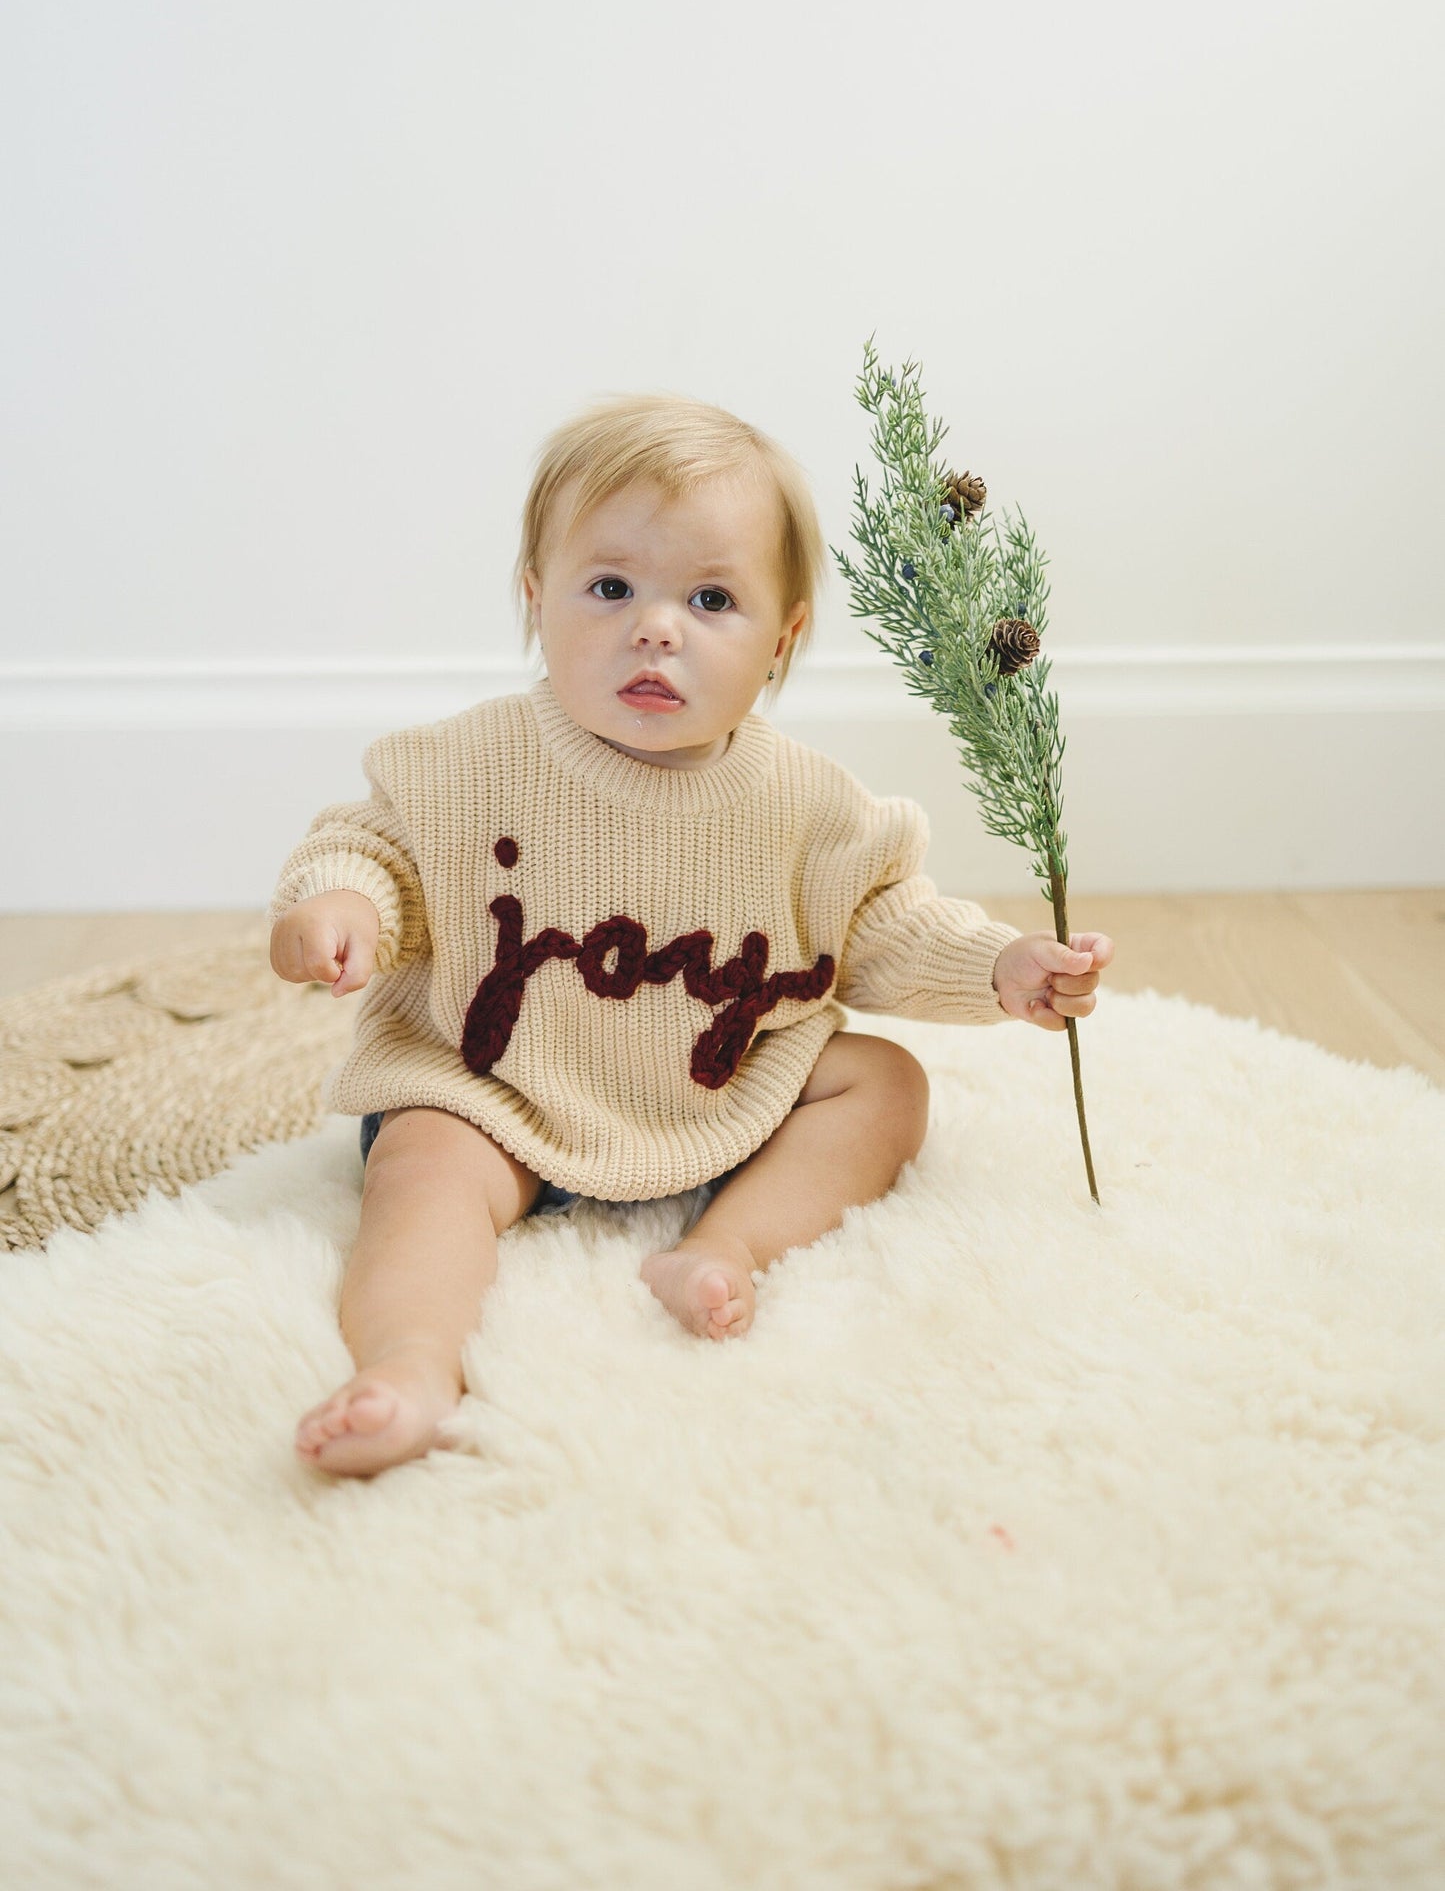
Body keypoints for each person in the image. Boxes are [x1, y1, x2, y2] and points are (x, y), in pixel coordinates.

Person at [269, 392, 1113, 1477]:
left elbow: (884, 920)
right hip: (498, 1094)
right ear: (537, 599)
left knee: (885, 1083)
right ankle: (410, 1364)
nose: (654, 626)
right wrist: (342, 906)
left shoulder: (804, 804)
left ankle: (723, 1243)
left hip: (718, 1098)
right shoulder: (468, 765)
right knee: (420, 1169)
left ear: (781, 639)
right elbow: (373, 845)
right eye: (610, 586)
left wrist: (998, 966)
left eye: (710, 597)